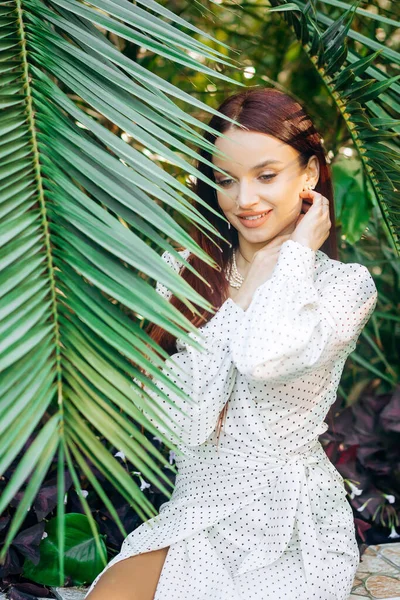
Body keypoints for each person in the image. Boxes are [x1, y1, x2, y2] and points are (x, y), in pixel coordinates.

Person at [85, 88, 378, 600]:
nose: (244, 200)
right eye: (226, 179)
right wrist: (242, 294)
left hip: (290, 530)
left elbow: (264, 359)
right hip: (193, 515)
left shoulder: (344, 286)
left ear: (309, 174)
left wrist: (289, 260)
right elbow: (178, 421)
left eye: (266, 175)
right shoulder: (184, 272)